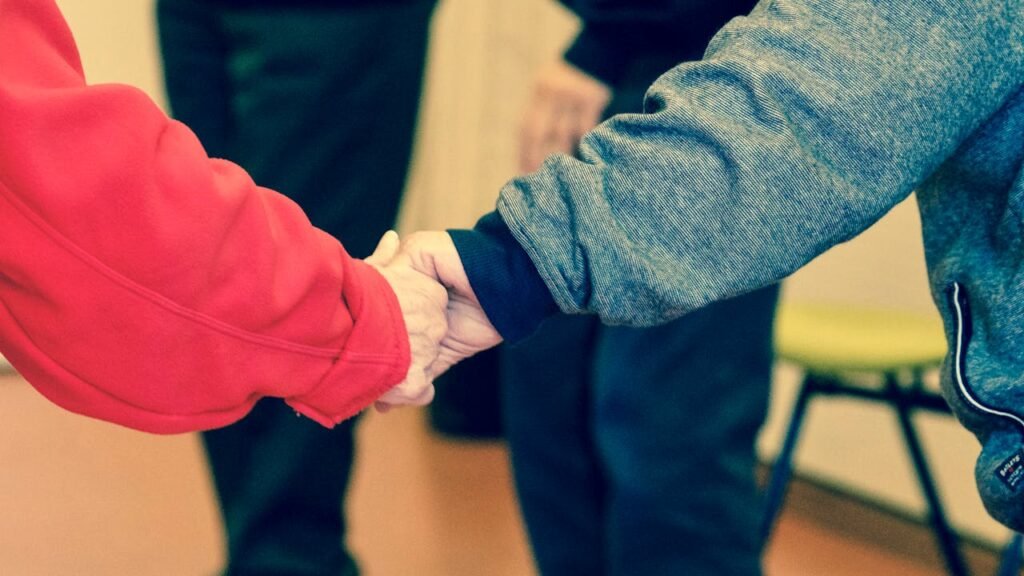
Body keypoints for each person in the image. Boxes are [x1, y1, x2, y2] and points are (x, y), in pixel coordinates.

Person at [396, 0, 1024, 552]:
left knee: (662, 446)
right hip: (648, 61)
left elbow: (803, 115)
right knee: (554, 419)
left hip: (720, 66)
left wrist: (508, 263)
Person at [0, 0, 442, 434]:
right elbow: (72, 205)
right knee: (238, 321)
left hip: (335, 17)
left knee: (253, 304)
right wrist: (360, 319)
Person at [155, 1, 436, 573]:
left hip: (336, 21)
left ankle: (291, 559)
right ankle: (264, 554)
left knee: (296, 294)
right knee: (212, 273)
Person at [502, 1, 774, 574]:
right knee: (550, 398)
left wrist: (599, 44)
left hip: (720, 79)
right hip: (622, 67)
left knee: (665, 431)